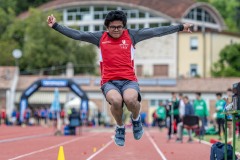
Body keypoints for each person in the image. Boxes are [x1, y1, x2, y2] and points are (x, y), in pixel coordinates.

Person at [47, 10, 193, 146]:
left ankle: (136, 121)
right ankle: (120, 127)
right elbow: (78, 34)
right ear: (107, 27)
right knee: (116, 101)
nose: (116, 30)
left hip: (129, 80)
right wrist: (56, 26)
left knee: (130, 100)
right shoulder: (100, 38)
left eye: (119, 27)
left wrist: (180, 27)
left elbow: (156, 31)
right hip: (109, 81)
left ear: (124, 26)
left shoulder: (132, 35)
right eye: (113, 27)